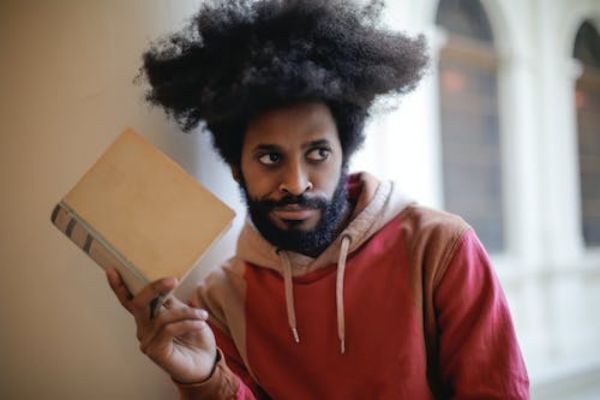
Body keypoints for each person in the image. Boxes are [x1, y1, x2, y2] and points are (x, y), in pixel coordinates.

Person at [106, 0, 530, 398]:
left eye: (318, 153)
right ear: (236, 166)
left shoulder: (441, 249)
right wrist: (203, 378)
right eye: (270, 157)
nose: (296, 183)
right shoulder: (216, 303)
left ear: (345, 154)